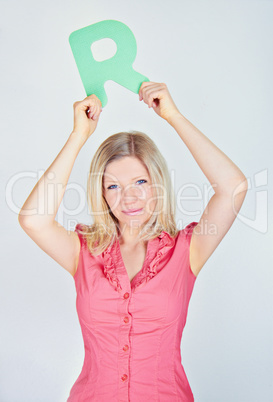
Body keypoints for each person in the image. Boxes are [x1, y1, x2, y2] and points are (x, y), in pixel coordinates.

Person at [18, 81, 248, 401]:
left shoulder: (187, 250)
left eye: (140, 181)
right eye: (113, 186)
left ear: (158, 183)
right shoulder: (83, 251)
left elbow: (234, 188)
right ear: (101, 193)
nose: (129, 197)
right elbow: (33, 219)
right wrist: (78, 136)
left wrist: (174, 116)